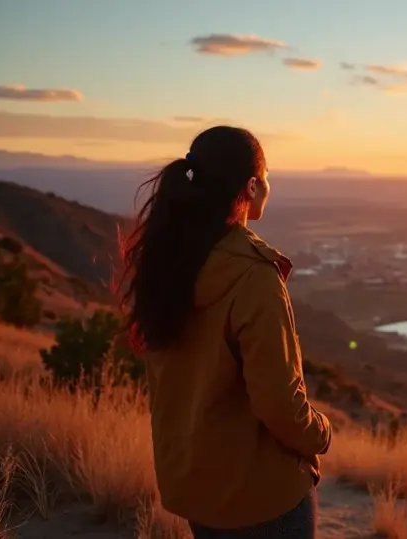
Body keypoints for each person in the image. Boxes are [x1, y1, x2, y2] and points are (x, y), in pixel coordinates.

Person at [119, 126, 331, 538]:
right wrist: (320, 433)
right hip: (262, 494)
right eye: (267, 177)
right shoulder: (253, 276)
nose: (269, 186)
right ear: (252, 187)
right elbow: (279, 402)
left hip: (197, 486)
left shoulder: (168, 261)